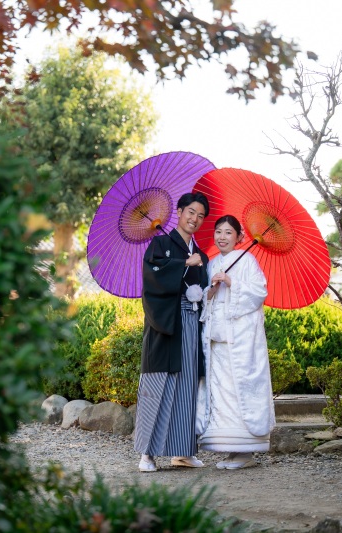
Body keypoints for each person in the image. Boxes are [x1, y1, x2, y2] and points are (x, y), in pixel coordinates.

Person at [134, 192, 209, 473]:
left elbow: (201, 289)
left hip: (191, 323)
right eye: (191, 212)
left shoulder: (199, 252)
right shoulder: (161, 244)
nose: (195, 219)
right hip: (166, 323)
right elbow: (152, 277)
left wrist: (208, 285)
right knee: (158, 386)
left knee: (187, 386)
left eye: (201, 216)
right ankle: (147, 454)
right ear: (179, 211)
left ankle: (182, 452)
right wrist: (182, 264)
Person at [196, 215, 275, 469]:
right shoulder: (211, 263)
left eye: (228, 232)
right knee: (221, 394)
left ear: (239, 236)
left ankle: (246, 452)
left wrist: (232, 282)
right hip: (217, 341)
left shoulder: (247, 260)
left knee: (240, 389)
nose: (222, 237)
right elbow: (207, 301)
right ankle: (231, 449)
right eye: (218, 231)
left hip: (240, 341)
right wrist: (211, 291)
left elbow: (259, 292)